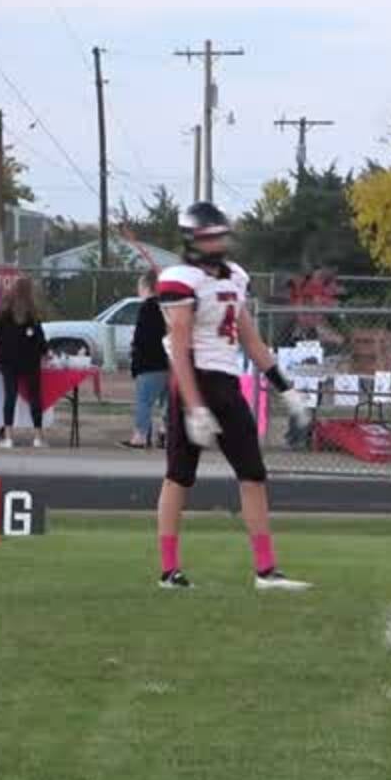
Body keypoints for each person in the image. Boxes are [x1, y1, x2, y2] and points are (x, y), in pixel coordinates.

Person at [154, 201, 314, 591]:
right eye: (210, 236)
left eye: (221, 235)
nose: (219, 242)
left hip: (226, 382)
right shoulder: (181, 279)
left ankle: (266, 571)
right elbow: (179, 346)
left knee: (254, 474)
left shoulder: (235, 277)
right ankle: (169, 571)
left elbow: (250, 337)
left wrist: (286, 389)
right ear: (193, 240)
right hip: (193, 380)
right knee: (179, 477)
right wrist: (194, 407)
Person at [0, 277, 48, 448]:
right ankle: (38, 436)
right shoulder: (33, 314)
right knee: (34, 397)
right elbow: (40, 339)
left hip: (7, 359)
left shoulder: (2, 312)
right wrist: (45, 352)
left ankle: (8, 436)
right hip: (30, 359)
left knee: (10, 396)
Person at [125, 272, 170, 450]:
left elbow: (143, 337)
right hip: (169, 362)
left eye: (140, 287)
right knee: (168, 402)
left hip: (150, 363)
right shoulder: (167, 307)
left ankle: (140, 436)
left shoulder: (147, 308)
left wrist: (135, 352)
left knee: (144, 401)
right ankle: (165, 432)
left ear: (146, 287)